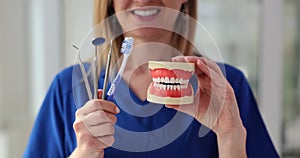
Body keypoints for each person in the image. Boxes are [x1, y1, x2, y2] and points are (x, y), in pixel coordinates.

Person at [24, 0, 279, 157]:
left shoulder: (225, 85)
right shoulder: (69, 88)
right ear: (110, 2)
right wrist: (84, 153)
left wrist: (230, 135)